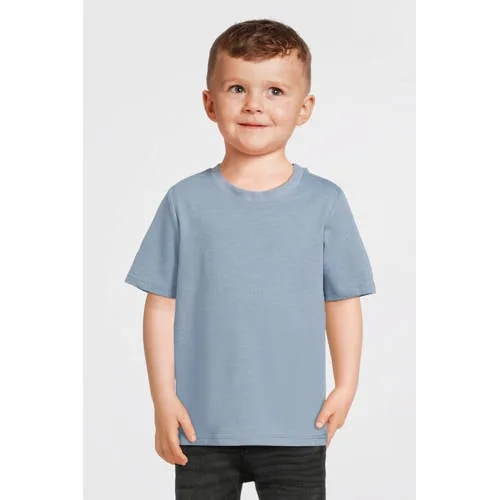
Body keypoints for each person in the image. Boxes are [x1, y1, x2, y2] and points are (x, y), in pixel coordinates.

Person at [124, 18, 376, 500]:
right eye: (237, 88)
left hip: (296, 426)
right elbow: (160, 306)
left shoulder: (325, 202)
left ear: (304, 108)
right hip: (200, 426)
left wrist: (346, 386)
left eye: (275, 91)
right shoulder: (184, 202)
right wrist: (163, 400)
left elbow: (342, 300)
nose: (254, 104)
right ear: (209, 103)